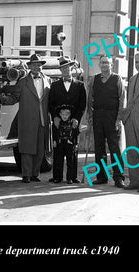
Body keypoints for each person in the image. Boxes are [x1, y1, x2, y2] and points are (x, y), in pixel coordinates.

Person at [0, 54, 51, 183]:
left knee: (40, 148)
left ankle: (35, 174)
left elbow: (51, 100)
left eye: (38, 65)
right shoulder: (23, 82)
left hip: (42, 119)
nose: (36, 68)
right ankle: (26, 175)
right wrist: (4, 99)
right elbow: (14, 98)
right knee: (27, 148)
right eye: (34, 65)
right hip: (27, 119)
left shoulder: (48, 80)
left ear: (41, 67)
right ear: (29, 67)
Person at [87, 55, 126, 187]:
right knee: (99, 149)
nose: (104, 65)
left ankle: (119, 177)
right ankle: (102, 177)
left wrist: (118, 119)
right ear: (99, 64)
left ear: (111, 65)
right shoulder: (94, 79)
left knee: (115, 149)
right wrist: (90, 116)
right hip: (98, 116)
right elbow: (89, 99)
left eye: (107, 63)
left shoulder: (117, 78)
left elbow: (122, 100)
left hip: (112, 117)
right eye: (102, 63)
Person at [48, 55, 86, 183]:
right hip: (59, 123)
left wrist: (77, 118)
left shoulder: (80, 85)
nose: (65, 70)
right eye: (62, 68)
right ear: (60, 70)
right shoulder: (54, 86)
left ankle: (72, 176)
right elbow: (50, 104)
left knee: (72, 150)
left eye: (67, 68)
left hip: (73, 123)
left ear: (71, 68)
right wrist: (55, 117)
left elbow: (82, 105)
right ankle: (57, 176)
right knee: (58, 150)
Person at [121, 52, 139, 193]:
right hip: (130, 119)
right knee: (132, 151)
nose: (138, 64)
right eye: (136, 62)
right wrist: (124, 116)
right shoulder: (132, 79)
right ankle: (134, 181)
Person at [51, 105, 80, 184]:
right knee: (59, 161)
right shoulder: (58, 123)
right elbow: (55, 133)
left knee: (70, 161)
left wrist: (75, 143)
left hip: (69, 144)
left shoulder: (72, 123)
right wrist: (54, 141)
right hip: (60, 143)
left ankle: (69, 178)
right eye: (63, 114)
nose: (64, 116)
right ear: (60, 115)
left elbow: (75, 133)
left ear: (70, 115)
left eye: (66, 114)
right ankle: (58, 177)